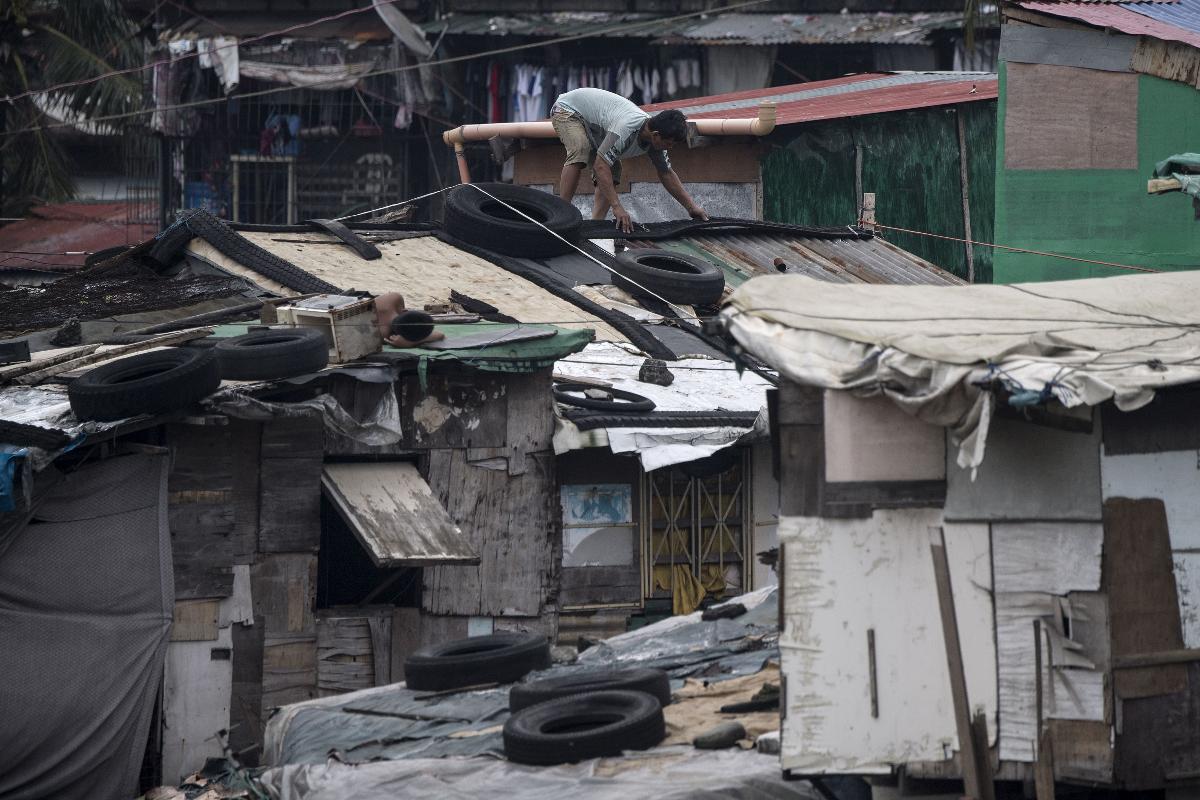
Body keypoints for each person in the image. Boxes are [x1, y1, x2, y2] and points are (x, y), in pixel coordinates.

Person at [550, 87, 709, 234]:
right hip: (568, 110)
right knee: (581, 149)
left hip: (592, 123)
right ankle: (562, 213)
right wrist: (617, 208)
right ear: (655, 135)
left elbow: (667, 173)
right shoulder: (626, 129)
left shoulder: (656, 141)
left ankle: (595, 225)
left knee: (613, 169)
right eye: (669, 143)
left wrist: (691, 207)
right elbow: (600, 165)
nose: (670, 148)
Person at [373, 292, 445, 348]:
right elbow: (440, 335)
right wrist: (412, 342)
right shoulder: (383, 335)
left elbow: (440, 335)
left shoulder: (394, 298)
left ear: (406, 311)